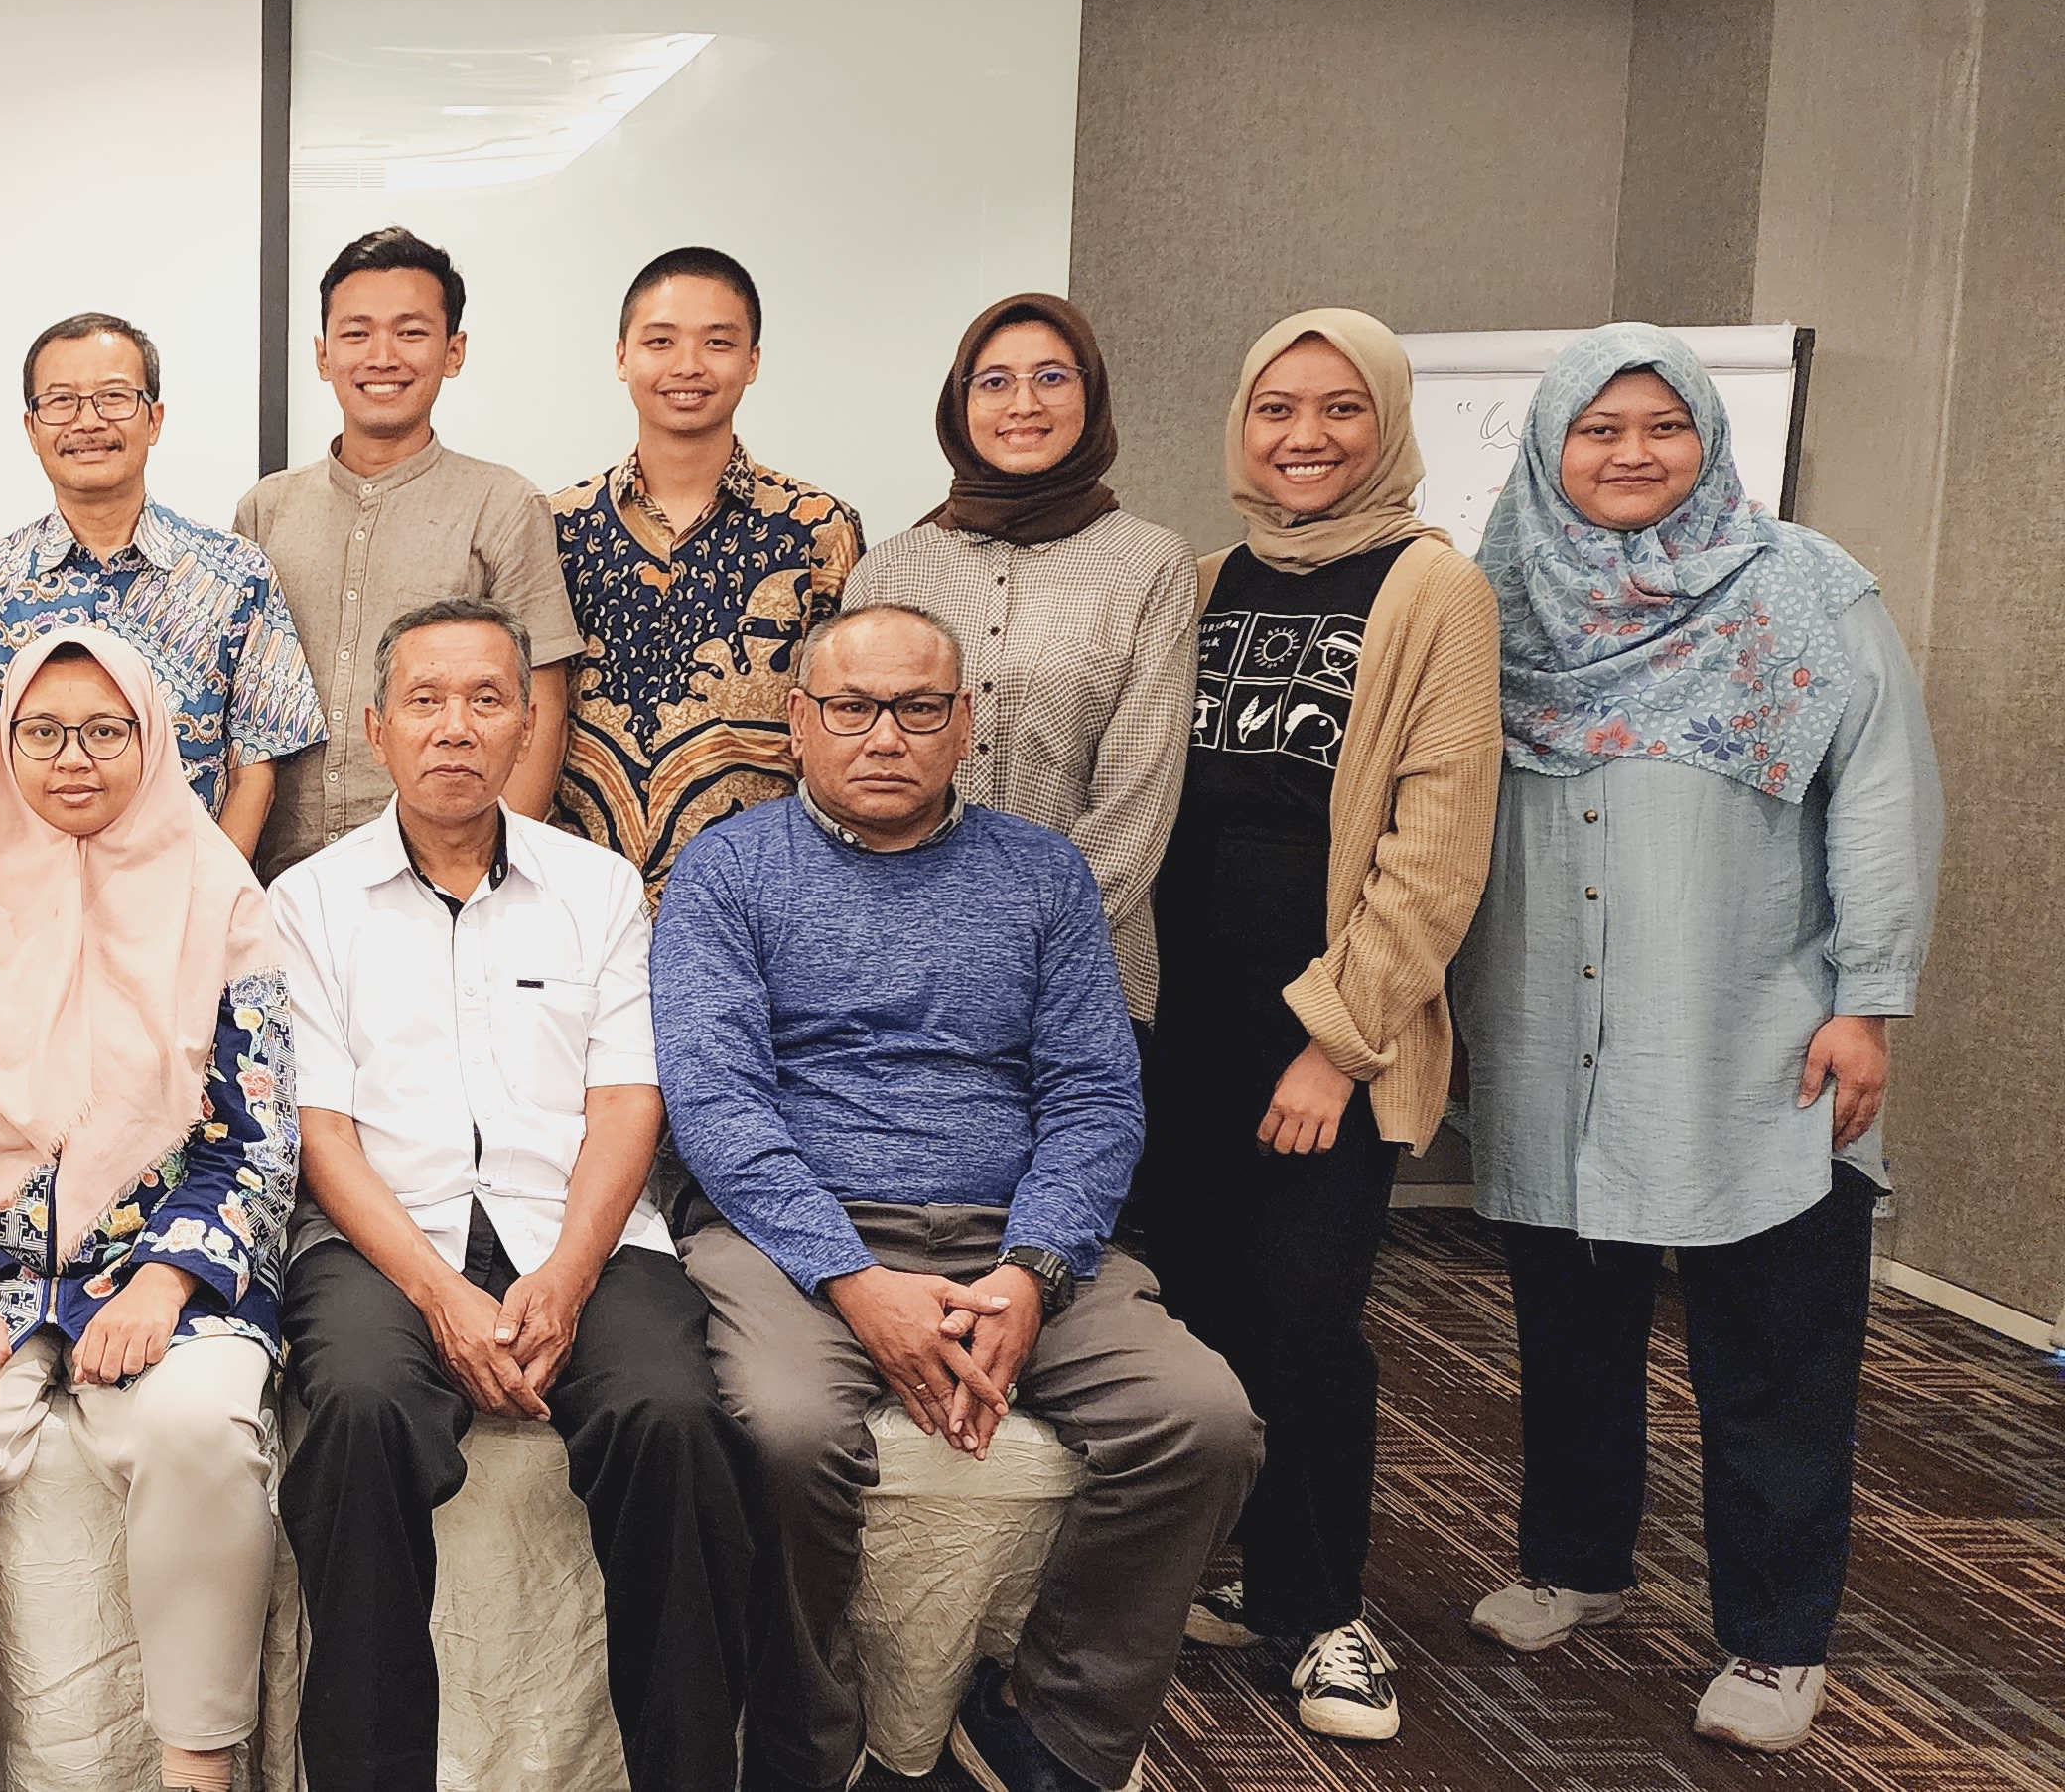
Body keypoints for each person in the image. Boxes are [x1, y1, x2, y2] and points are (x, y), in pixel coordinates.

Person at [656, 603, 1258, 1792]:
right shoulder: (728, 867)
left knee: (1202, 1420)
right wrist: (852, 1277)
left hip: (1009, 1230)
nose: (884, 735)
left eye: (917, 707)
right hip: (791, 1239)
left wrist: (1032, 1271)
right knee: (783, 1430)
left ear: (965, 722)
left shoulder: (1042, 873)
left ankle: (1049, 1722)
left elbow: (1095, 1095)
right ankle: (808, 1744)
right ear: (798, 722)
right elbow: (715, 1103)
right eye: (852, 707)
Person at [1451, 323, 1940, 1755]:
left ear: (1711, 440)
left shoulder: (1806, 592)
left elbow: (1884, 798)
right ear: (1549, 446)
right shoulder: (1494, 598)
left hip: (1750, 1033)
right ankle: (1576, 1561)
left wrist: (1868, 1001)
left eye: (1663, 424)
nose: (1632, 452)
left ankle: (1778, 1638)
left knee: (1774, 1351)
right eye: (1597, 428)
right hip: (1547, 1026)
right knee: (1568, 1328)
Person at [269, 599, 754, 1792]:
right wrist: (441, 1295)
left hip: (576, 1227)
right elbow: (321, 1131)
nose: (455, 727)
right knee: (361, 1411)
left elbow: (626, 1100)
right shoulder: (306, 900)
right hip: (382, 1240)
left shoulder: (598, 888)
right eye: (425, 700)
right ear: (375, 728)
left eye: (487, 699)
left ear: (528, 725)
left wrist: (569, 1275)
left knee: (672, 1417)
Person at [0, 624, 298, 1792]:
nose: (73, 758)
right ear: (1, 743)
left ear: (153, 740)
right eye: (41, 732)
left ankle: (197, 1765)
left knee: (203, 1427)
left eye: (105, 730)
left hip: (164, 1270)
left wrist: (164, 1281)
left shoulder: (221, 895)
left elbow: (255, 1127)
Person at [1137, 308, 1501, 1744]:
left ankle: (1327, 1608)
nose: (1305, 435)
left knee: (1306, 1316)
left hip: (1321, 1024)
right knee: (1203, 1306)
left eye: (1341, 408)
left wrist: (1337, 1042)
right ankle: (1248, 1575)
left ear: (1387, 421)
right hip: (1182, 1009)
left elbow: (1437, 849)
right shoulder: (1204, 579)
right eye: (1277, 407)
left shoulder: (1433, 589)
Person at [844, 294, 1200, 1020]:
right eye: (995, 382)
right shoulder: (889, 570)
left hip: (1084, 973)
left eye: (1052, 378)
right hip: (899, 968)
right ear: (960, 404)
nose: (1023, 404)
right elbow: (851, 769)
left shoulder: (1151, 564)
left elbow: (1139, 796)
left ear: (1091, 394)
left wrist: (1016, 947)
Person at [0, 312, 319, 859]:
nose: (87, 421)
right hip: (23, 900)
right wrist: (28, 898)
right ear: (32, 428)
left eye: (113, 398)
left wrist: (212, 896)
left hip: (188, 894)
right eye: (61, 401)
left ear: (154, 419)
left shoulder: (236, 574)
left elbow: (254, 773)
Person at [236, 228, 581, 878]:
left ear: (453, 351)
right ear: (322, 354)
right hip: (283, 873)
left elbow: (539, 705)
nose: (382, 356)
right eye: (357, 332)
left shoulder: (503, 504)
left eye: (411, 332)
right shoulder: (266, 510)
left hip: (442, 870)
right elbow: (245, 706)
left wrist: (488, 877)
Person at [551, 247, 864, 890]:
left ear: (752, 361)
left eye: (717, 342)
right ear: (622, 357)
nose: (687, 366)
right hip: (576, 894)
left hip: (760, 895)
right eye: (660, 341)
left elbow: (841, 724)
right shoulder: (556, 526)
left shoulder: (818, 528)